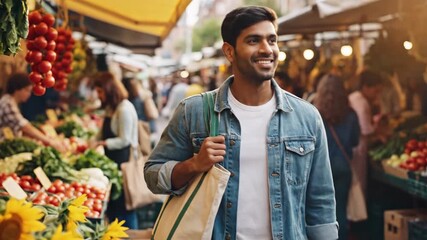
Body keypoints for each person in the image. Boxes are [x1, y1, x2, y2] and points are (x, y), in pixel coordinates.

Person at [145, 6, 338, 240]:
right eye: (253, 40)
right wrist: (194, 164)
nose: (267, 49)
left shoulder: (306, 117)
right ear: (229, 51)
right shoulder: (194, 112)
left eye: (272, 40)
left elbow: (321, 203)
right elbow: (152, 175)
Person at [314, 74, 360, 240]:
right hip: (343, 167)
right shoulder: (351, 114)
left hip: (320, 168)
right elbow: (355, 141)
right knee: (340, 209)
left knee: (319, 209)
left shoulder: (315, 113)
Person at [92, 72, 139, 229]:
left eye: (100, 91)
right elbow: (101, 132)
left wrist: (103, 143)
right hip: (113, 163)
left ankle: (130, 235)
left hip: (123, 164)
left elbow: (124, 140)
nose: (98, 95)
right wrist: (91, 142)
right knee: (115, 207)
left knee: (124, 206)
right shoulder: (112, 108)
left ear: (109, 90)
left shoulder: (124, 109)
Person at [0, 73, 65, 151]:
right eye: (27, 90)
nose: (29, 94)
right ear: (17, 89)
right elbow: (24, 126)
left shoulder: (11, 102)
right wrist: (49, 141)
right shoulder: (7, 102)